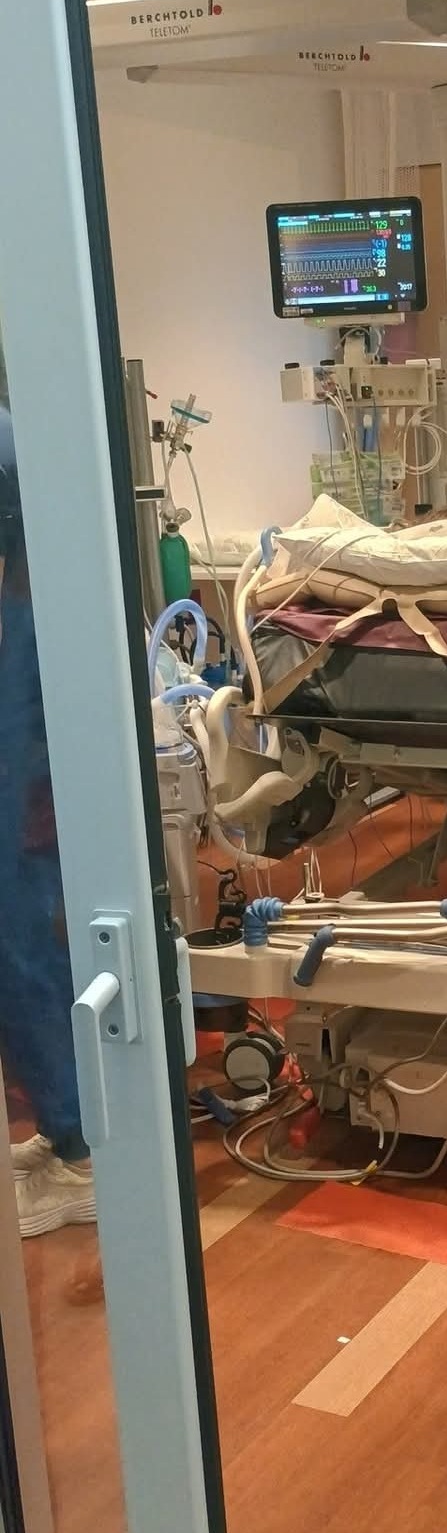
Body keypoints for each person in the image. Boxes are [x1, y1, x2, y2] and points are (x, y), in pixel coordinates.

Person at [0, 345, 95, 1237]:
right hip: (23, 717)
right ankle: (73, 1125)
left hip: (18, 722)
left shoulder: (8, 450)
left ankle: (78, 1149)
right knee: (26, 926)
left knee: (16, 931)